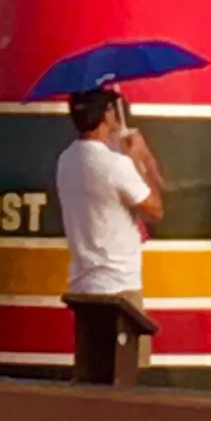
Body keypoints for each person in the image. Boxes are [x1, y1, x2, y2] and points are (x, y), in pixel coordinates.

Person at [55, 89, 164, 383]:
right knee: (125, 375)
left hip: (84, 282)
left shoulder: (66, 159)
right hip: (120, 285)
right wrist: (143, 160)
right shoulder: (116, 165)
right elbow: (155, 209)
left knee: (91, 370)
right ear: (107, 115)